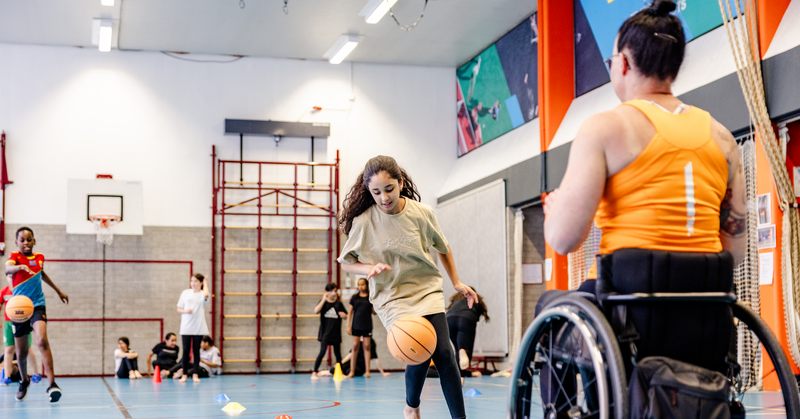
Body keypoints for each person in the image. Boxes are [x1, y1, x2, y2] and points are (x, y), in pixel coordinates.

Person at [540, 0, 746, 411]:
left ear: (623, 63)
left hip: (630, 311)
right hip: (707, 310)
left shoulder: (605, 126)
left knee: (551, 309)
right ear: (675, 65)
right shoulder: (722, 137)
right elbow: (735, 250)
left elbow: (563, 240)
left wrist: (557, 208)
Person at [337, 155, 478, 419]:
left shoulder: (422, 213)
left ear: (400, 182)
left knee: (445, 353)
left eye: (389, 189)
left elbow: (443, 248)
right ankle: (411, 406)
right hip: (391, 297)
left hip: (425, 288)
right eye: (376, 192)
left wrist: (456, 282)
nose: (384, 198)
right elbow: (346, 262)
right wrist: (369, 269)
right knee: (418, 348)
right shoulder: (364, 222)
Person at [5, 227, 69, 402]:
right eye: (22, 240)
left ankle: (52, 384)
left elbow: (42, 274)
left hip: (37, 306)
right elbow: (8, 270)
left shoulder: (40, 258)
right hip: (19, 308)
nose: (26, 243)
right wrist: (19, 266)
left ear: (34, 241)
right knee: (22, 352)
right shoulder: (14, 257)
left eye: (29, 239)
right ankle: (24, 381)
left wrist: (58, 291)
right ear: (17, 242)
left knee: (42, 341)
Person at [445, 288, 489, 384]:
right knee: (466, 348)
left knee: (457, 349)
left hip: (449, 319)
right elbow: (479, 313)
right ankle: (461, 376)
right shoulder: (475, 299)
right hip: (467, 318)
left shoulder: (456, 300)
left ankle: (458, 379)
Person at [1, 282, 41, 386]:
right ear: (7, 277)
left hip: (22, 321)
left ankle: (36, 374)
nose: (11, 278)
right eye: (9, 276)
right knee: (8, 349)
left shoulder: (22, 290)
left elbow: (30, 306)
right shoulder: (4, 291)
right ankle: (6, 377)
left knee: (27, 348)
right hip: (8, 323)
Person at [176, 273, 210, 383]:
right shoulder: (185, 293)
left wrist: (205, 281)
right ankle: (184, 374)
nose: (193, 283)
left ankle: (195, 374)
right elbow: (178, 308)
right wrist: (186, 311)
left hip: (198, 327)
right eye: (192, 281)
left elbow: (206, 294)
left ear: (200, 283)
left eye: (195, 281)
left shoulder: (202, 295)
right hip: (186, 327)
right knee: (186, 351)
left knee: (196, 351)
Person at [311, 283, 347, 380]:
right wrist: (323, 299)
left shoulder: (339, 304)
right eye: (331, 291)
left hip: (336, 333)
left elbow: (346, 315)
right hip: (325, 333)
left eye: (335, 291)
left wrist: (344, 315)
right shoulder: (324, 303)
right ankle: (314, 372)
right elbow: (316, 311)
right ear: (327, 292)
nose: (334, 293)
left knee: (338, 354)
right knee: (322, 352)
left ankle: (341, 372)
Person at [345, 277, 375, 378]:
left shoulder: (370, 297)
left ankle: (367, 371)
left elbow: (374, 312)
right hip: (356, 325)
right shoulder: (354, 297)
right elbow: (350, 312)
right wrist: (348, 325)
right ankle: (352, 372)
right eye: (359, 284)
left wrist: (378, 302)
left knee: (367, 347)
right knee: (355, 347)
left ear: (366, 285)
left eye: (362, 284)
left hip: (367, 325)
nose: (360, 286)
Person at [324, 337, 391, 378]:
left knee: (348, 371)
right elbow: (350, 355)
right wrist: (340, 363)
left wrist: (383, 372)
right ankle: (330, 372)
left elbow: (376, 359)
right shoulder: (357, 341)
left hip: (360, 366)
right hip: (352, 363)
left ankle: (337, 374)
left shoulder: (371, 343)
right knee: (334, 368)